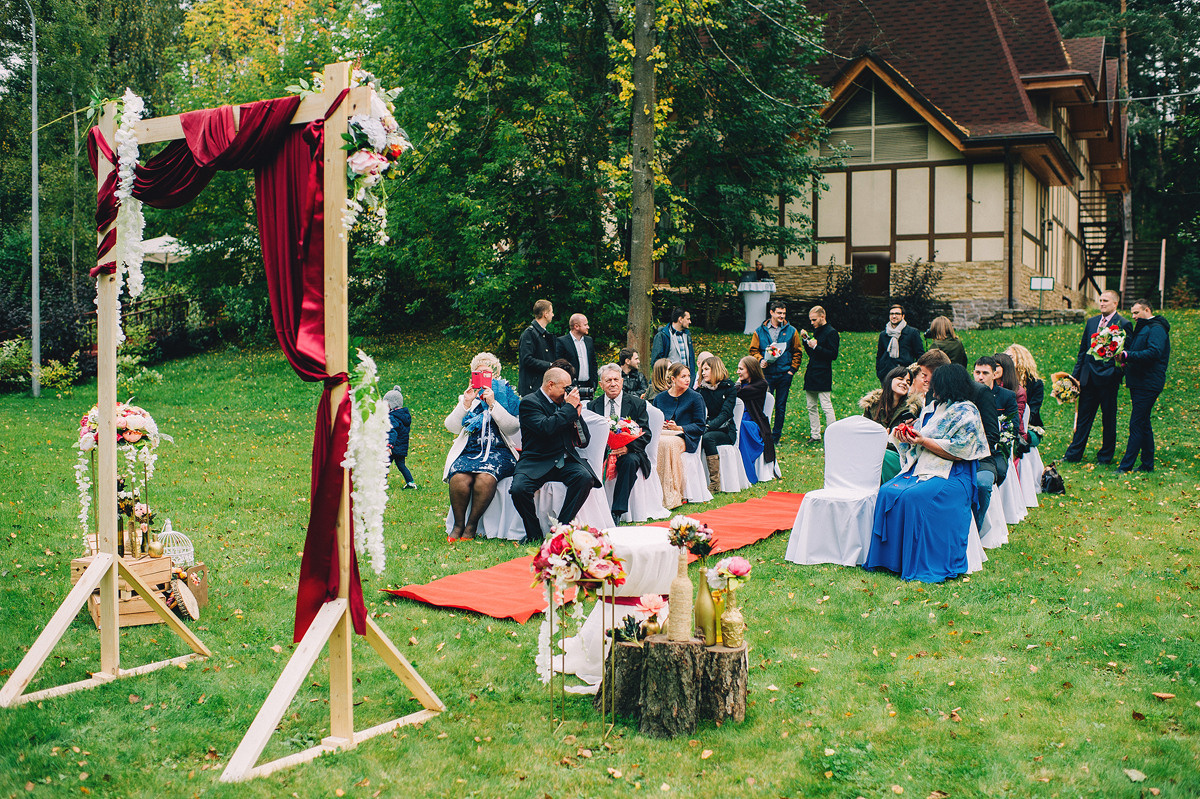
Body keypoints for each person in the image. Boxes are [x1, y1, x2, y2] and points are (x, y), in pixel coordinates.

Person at [865, 364, 990, 582]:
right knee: (887, 491)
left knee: (914, 497)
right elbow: (920, 439)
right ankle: (889, 560)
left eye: (935, 383)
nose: (931, 387)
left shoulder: (967, 411)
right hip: (922, 466)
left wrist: (923, 441)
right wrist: (904, 437)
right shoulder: (933, 408)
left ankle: (919, 562)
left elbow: (960, 452)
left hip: (954, 474)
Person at [509, 367, 601, 544]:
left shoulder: (565, 404)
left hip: (563, 459)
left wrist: (576, 416)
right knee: (518, 490)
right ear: (550, 385)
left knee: (584, 478)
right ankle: (533, 533)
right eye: (565, 388)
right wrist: (568, 409)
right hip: (536, 460)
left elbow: (584, 441)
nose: (568, 392)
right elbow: (546, 428)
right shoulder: (529, 402)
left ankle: (561, 529)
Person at [443, 353, 521, 541]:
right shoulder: (467, 397)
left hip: (498, 450)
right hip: (470, 450)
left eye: (488, 373)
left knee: (486, 478)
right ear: (473, 375)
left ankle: (471, 526)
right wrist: (466, 403)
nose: (484, 376)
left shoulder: (504, 395)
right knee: (459, 478)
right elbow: (451, 427)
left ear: (494, 375)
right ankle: (458, 525)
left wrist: (493, 404)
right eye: (479, 373)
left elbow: (512, 428)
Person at [1062, 289, 1134, 464]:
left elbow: (1127, 355)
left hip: (1108, 380)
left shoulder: (1123, 323)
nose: (1102, 303)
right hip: (1088, 379)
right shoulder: (1092, 322)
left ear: (1115, 303)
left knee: (1108, 419)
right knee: (1083, 418)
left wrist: (1116, 374)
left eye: (1106, 301)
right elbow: (1082, 351)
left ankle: (1105, 456)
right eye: (1100, 300)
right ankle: (1073, 454)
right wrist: (1075, 376)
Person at [588, 363, 652, 519]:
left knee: (629, 462)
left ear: (622, 382)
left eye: (616, 379)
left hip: (629, 451)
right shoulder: (592, 406)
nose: (613, 383)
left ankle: (617, 511)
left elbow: (646, 434)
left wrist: (627, 447)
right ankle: (593, 512)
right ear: (601, 385)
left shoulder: (637, 404)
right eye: (608, 380)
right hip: (602, 452)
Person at [1117, 299, 1171, 474]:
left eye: (1136, 313)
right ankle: (1147, 464)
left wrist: (1127, 354)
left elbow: (1154, 352)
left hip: (1149, 382)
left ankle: (1126, 466)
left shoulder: (1157, 328)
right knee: (1144, 423)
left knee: (1137, 423)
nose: (1133, 317)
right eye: (1132, 313)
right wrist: (1124, 359)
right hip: (1138, 381)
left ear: (1147, 310)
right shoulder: (1144, 328)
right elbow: (1138, 351)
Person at [651, 362, 707, 508]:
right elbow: (653, 421)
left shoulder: (695, 398)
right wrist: (660, 424)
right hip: (663, 433)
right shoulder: (660, 398)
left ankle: (673, 491)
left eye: (688, 376)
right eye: (683, 376)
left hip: (686, 436)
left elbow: (700, 426)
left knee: (669, 444)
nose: (687, 379)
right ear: (673, 379)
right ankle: (654, 491)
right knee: (655, 442)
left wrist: (680, 428)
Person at [749, 300, 803, 444]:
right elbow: (753, 350)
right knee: (764, 404)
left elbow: (797, 351)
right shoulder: (759, 331)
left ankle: (776, 437)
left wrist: (792, 371)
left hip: (784, 374)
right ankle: (763, 434)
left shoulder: (791, 331)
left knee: (780, 406)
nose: (782, 316)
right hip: (766, 375)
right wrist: (760, 360)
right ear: (771, 313)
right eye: (779, 313)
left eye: (784, 313)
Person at [973, 355, 1016, 525]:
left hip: (996, 449)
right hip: (972, 447)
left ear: (994, 374)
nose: (980, 377)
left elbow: (1013, 426)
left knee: (997, 471)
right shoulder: (969, 394)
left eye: (985, 373)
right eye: (977, 372)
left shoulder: (1006, 396)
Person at [858, 366, 921, 483]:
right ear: (890, 379)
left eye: (908, 382)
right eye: (900, 379)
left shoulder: (911, 409)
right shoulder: (872, 405)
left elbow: (912, 442)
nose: (904, 383)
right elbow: (864, 434)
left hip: (898, 455)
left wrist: (889, 440)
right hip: (871, 451)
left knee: (881, 456)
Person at [697, 355, 737, 493]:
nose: (703, 373)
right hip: (706, 427)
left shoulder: (729, 388)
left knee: (708, 438)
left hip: (725, 430)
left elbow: (725, 414)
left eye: (706, 369)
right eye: (702, 370)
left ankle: (714, 484)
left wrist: (708, 427)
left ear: (715, 369)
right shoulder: (702, 389)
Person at [801, 305, 839, 442]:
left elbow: (833, 354)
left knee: (826, 405)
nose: (812, 323)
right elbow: (812, 354)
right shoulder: (817, 331)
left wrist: (816, 346)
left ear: (822, 317)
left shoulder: (831, 332)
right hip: (812, 372)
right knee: (811, 406)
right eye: (811, 320)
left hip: (823, 373)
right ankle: (815, 434)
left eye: (814, 320)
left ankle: (833, 434)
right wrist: (806, 341)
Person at [735, 355, 775, 485]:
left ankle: (748, 473)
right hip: (739, 419)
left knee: (741, 427)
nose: (738, 372)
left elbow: (739, 393)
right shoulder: (743, 384)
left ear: (750, 369)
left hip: (754, 422)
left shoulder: (761, 384)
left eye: (741, 369)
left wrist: (737, 384)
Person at [518, 299, 557, 396]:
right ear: (545, 314)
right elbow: (527, 359)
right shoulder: (529, 334)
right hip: (532, 388)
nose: (553, 315)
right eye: (551, 312)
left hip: (542, 385)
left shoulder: (545, 335)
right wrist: (550, 365)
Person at [876, 304, 924, 381]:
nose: (894, 316)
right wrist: (880, 371)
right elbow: (879, 355)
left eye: (897, 314)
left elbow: (920, 355)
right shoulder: (884, 334)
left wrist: (913, 372)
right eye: (892, 314)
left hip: (905, 374)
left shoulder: (912, 333)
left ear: (903, 316)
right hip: (887, 374)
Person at [555, 313, 598, 401]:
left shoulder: (589, 341)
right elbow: (559, 366)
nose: (588, 327)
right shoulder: (562, 342)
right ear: (576, 326)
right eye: (585, 325)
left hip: (588, 386)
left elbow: (593, 363)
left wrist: (594, 383)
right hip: (571, 386)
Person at [1005, 344, 1045, 431]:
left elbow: (1033, 410)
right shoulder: (1003, 382)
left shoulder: (1036, 383)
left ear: (1021, 359)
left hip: (1030, 425)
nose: (1007, 360)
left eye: (1010, 357)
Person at [384, 386, 417, 489]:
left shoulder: (392, 417)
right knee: (401, 466)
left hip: (393, 447)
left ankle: (380, 484)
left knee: (385, 465)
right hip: (402, 447)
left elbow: (392, 432)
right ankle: (411, 482)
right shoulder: (404, 416)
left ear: (392, 404)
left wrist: (389, 446)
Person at [650, 307, 697, 379]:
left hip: (686, 381)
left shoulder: (687, 335)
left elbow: (691, 360)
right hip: (670, 381)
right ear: (680, 319)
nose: (690, 322)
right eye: (688, 319)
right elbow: (656, 362)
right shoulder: (662, 335)